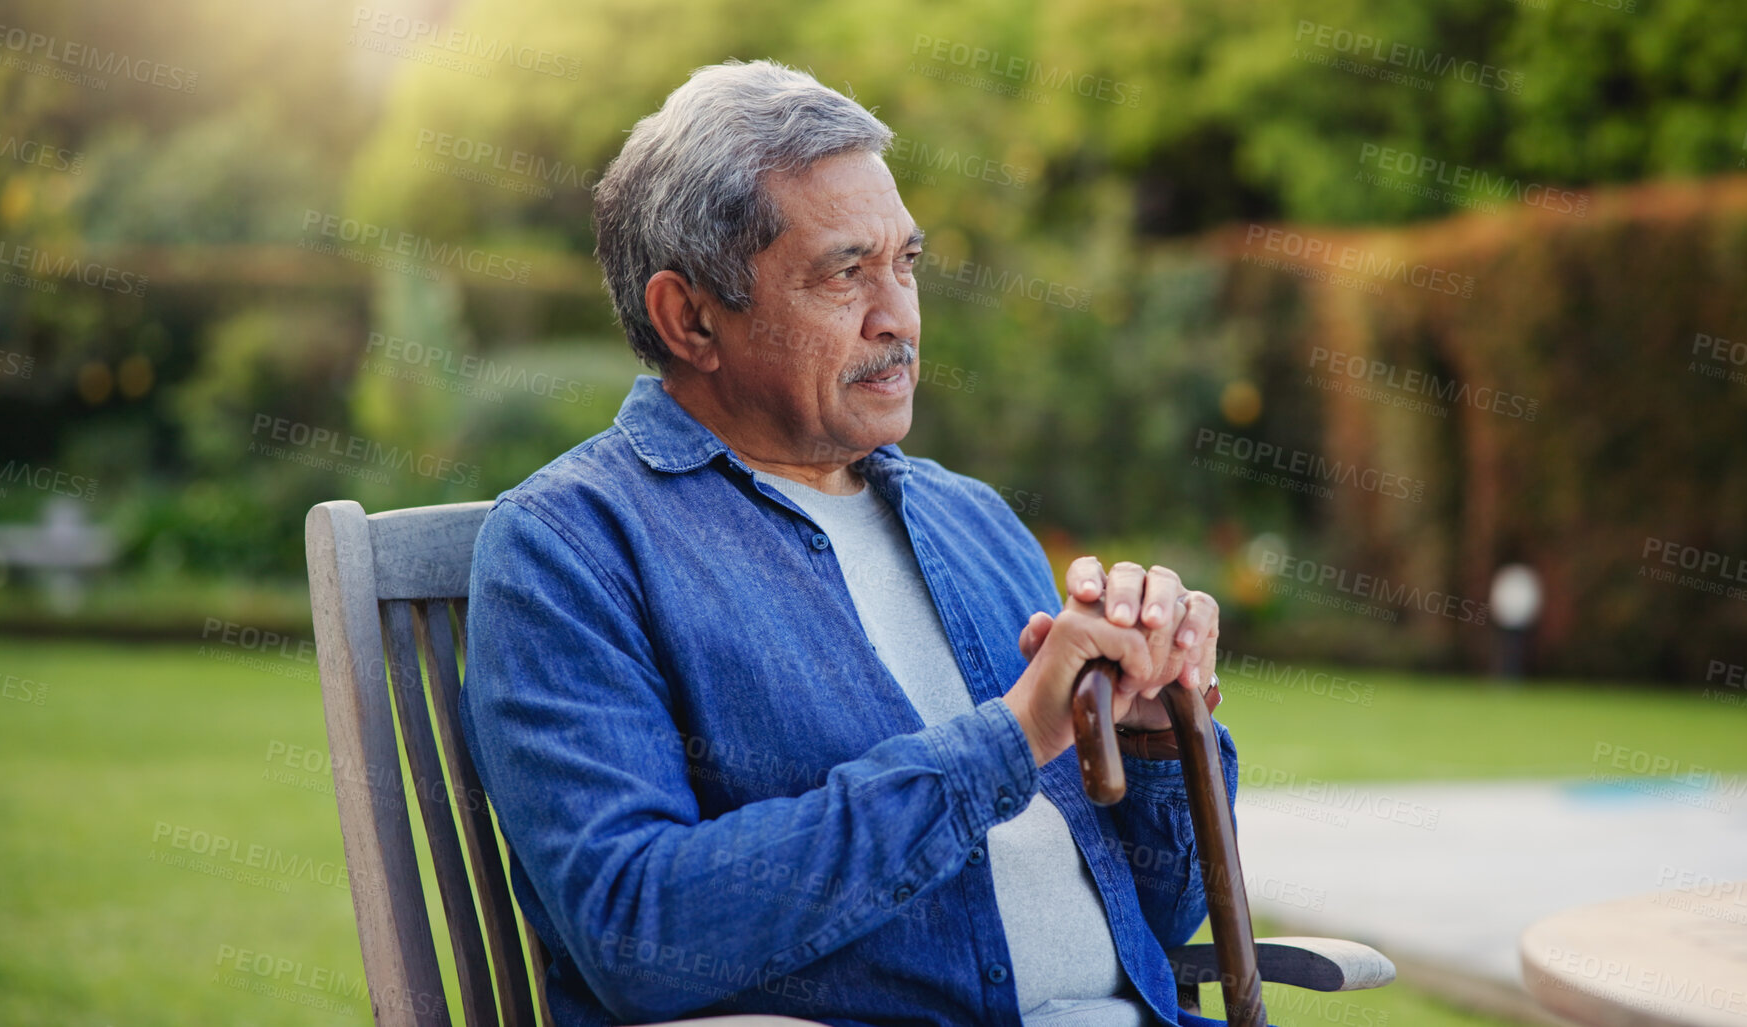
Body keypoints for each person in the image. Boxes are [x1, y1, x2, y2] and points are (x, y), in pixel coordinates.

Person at [459, 58, 1236, 1027]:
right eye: (844, 273)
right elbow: (637, 931)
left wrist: (1156, 733)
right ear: (689, 316)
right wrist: (1012, 736)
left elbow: (1160, 920)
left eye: (905, 263)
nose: (899, 316)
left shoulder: (975, 522)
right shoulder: (570, 549)